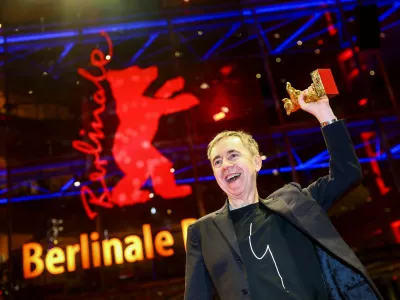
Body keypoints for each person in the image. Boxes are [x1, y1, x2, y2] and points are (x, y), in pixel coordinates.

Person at [184, 89, 383, 299]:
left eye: (233, 155)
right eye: (217, 162)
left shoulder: (294, 201)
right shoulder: (202, 232)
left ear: (256, 162)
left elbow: (347, 174)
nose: (225, 165)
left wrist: (323, 112)